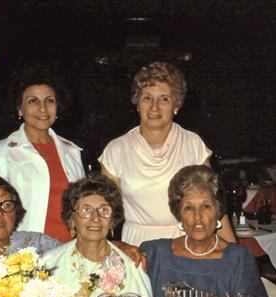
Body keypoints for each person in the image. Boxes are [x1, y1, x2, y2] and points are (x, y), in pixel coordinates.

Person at [99, 61, 236, 246]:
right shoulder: (115, 150)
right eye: (147, 98)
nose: (154, 107)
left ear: (176, 105)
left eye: (164, 98)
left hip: (187, 242)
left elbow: (213, 206)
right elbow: (103, 216)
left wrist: (234, 253)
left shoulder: (193, 144)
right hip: (137, 246)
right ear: (137, 103)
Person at [141, 165, 270, 297]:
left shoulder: (238, 259)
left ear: (218, 210)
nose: (197, 217)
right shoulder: (154, 253)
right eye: (188, 208)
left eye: (206, 206)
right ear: (179, 214)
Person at [0, 70, 85, 242]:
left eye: (49, 101)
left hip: (71, 252)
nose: (42, 108)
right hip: (25, 254)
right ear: (20, 109)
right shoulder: (1, 152)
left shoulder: (72, 152)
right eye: (33, 101)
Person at [43, 174, 153, 297]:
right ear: (72, 220)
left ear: (112, 221)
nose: (96, 218)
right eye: (86, 210)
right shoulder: (49, 264)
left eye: (104, 210)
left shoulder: (131, 265)